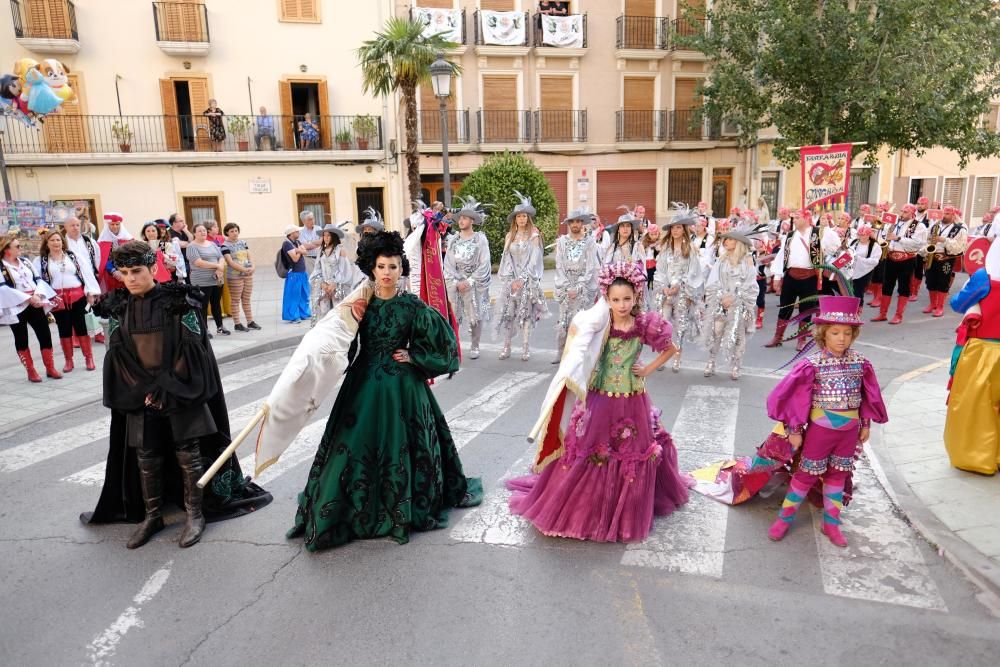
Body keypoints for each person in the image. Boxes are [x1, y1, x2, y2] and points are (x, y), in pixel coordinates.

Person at [286, 231, 483, 551]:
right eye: (382, 266)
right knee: (353, 445)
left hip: (402, 389)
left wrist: (415, 357)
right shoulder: (361, 302)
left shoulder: (410, 305)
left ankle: (397, 507)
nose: (388, 272)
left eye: (393, 266)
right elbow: (342, 340)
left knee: (400, 445)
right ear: (372, 268)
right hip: (362, 384)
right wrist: (326, 362)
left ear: (401, 268)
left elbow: (444, 345)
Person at [82, 241, 272, 548]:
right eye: (125, 272)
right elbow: (118, 354)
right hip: (140, 394)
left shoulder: (181, 301)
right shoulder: (118, 306)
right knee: (146, 456)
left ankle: (195, 514)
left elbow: (192, 348)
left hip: (181, 391)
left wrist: (166, 387)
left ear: (153, 269)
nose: (130, 278)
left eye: (137, 271)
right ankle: (152, 515)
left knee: (189, 455)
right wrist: (145, 390)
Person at [507, 262, 691, 543]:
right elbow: (580, 349)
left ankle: (625, 511)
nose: (621, 305)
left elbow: (671, 348)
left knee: (630, 452)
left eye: (627, 299)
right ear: (606, 298)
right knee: (591, 449)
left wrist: (648, 369)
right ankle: (586, 509)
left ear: (637, 295)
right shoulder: (601, 322)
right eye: (615, 299)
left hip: (633, 400)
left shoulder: (644, 323)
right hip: (599, 398)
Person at [765, 295, 888, 547]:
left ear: (853, 334)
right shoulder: (811, 365)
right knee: (806, 475)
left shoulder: (861, 363)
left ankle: (830, 524)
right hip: (821, 431)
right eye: (835, 332)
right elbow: (795, 399)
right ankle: (784, 519)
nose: (841, 338)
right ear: (823, 334)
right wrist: (795, 429)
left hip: (849, 432)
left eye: (846, 332)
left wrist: (865, 424)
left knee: (838, 475)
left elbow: (868, 396)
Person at [944, 241, 1000, 474]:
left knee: (976, 407)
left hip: (984, 352)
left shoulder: (984, 278)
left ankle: (979, 457)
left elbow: (958, 303)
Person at [702, 223, 764, 380]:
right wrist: (721, 296)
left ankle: (736, 365)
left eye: (729, 239)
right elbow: (713, 281)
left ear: (738, 242)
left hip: (739, 304)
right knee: (715, 332)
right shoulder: (721, 260)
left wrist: (735, 298)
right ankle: (711, 361)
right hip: (720, 302)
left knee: (738, 335)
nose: (725, 242)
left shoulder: (747, 261)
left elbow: (750, 283)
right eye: (725, 239)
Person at [34, 230, 99, 373]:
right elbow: (38, 281)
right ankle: (69, 360)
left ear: (62, 242)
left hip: (78, 296)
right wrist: (43, 298)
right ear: (47, 243)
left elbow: (86, 274)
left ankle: (89, 358)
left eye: (58, 240)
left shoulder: (73, 256)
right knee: (64, 330)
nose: (56, 243)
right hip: (58, 299)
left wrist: (90, 292)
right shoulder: (41, 261)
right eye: (52, 240)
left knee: (81, 327)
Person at [494, 191, 547, 361]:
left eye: (524, 216)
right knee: (508, 313)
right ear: (515, 219)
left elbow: (534, 260)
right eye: (519, 216)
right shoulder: (510, 236)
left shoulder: (534, 236)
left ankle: (525, 347)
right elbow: (506, 259)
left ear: (528, 218)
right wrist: (511, 280)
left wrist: (523, 280)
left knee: (525, 315)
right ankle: (507, 346)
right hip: (511, 282)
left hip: (528, 281)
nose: (522, 219)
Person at [1, 234, 60, 381]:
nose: (21, 248)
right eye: (17, 246)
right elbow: (2, 289)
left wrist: (39, 295)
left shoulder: (25, 261)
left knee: (45, 334)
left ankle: (50, 368)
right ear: (7, 250)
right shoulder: (1, 267)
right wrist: (28, 298)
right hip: (16, 306)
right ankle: (31, 371)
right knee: (21, 338)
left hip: (35, 302)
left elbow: (38, 279)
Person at [652, 208, 703, 372]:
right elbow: (660, 271)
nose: (675, 230)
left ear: (684, 230)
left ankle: (677, 357)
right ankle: (663, 356)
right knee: (663, 324)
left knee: (680, 325)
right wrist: (664, 287)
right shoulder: (665, 249)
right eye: (673, 227)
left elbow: (694, 272)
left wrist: (680, 286)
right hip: (666, 293)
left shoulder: (690, 249)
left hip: (682, 293)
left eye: (679, 227)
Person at [442, 197, 492, 360]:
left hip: (474, 283)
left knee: (475, 315)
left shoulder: (480, 239)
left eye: (465, 218)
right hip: (456, 283)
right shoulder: (453, 240)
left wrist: (470, 281)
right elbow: (448, 264)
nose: (461, 220)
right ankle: (453, 345)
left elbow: (484, 263)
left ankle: (475, 345)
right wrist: (456, 282)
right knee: (454, 316)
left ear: (472, 220)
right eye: (460, 218)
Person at [766, 209, 821, 350]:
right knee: (785, 307)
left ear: (806, 218)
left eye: (797, 218)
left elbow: (835, 247)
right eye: (794, 218)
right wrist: (777, 277)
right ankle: (777, 337)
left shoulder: (818, 233)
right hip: (791, 275)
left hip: (810, 277)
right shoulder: (789, 236)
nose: (794, 220)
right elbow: (780, 257)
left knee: (806, 309)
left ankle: (801, 340)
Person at [552, 208, 600, 362]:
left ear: (582, 223)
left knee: (579, 322)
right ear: (569, 224)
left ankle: (578, 355)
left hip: (583, 287)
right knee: (563, 322)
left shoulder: (589, 242)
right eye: (572, 221)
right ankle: (560, 353)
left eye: (578, 221)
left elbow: (590, 266)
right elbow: (559, 265)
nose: (575, 224)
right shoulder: (562, 242)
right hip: (565, 286)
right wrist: (567, 286)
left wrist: (578, 286)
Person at [872, 203, 927, 325]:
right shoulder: (895, 223)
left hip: (907, 259)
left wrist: (898, 238)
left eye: (905, 212)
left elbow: (918, 243)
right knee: (887, 286)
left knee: (903, 287)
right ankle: (882, 314)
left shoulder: (919, 226)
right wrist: (880, 226)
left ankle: (898, 315)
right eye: (901, 211)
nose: (902, 214)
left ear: (912, 213)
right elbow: (883, 235)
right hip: (890, 257)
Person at [62, 215, 104, 343]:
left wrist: (97, 273)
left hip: (90, 276)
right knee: (78, 308)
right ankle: (77, 336)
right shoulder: (63, 243)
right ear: (65, 227)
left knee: (95, 304)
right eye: (72, 225)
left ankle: (98, 333)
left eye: (77, 225)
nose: (75, 228)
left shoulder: (88, 241)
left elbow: (97, 257)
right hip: (74, 279)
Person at [185, 222, 230, 337]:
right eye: (199, 230)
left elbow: (220, 257)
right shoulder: (191, 246)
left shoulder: (212, 244)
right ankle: (204, 330)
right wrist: (216, 266)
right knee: (203, 306)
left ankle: (220, 327)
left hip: (216, 279)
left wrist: (220, 269)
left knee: (216, 304)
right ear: (194, 233)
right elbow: (198, 262)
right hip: (201, 281)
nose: (203, 232)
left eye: (204, 230)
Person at [922, 206, 969, 318]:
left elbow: (960, 247)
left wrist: (944, 240)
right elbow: (927, 239)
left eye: (947, 214)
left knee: (943, 283)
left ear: (953, 216)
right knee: (930, 281)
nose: (944, 215)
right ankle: (932, 304)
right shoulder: (935, 226)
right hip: (932, 256)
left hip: (946, 258)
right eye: (944, 213)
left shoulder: (959, 229)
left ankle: (940, 307)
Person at [309, 223, 352, 326]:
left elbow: (345, 271)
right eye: (324, 235)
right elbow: (317, 269)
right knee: (324, 312)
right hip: (323, 286)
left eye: (328, 235)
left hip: (337, 287)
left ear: (333, 236)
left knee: (338, 312)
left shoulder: (340, 251)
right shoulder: (321, 251)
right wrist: (322, 284)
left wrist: (335, 284)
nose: (326, 238)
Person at [222, 223, 259, 332]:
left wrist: (253, 267)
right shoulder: (224, 246)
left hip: (247, 274)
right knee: (235, 300)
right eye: (231, 231)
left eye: (236, 230)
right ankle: (237, 324)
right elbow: (230, 262)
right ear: (227, 233)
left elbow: (249, 256)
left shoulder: (243, 242)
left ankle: (250, 322)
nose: (234, 233)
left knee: (246, 299)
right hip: (235, 276)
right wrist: (244, 270)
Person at [280, 224, 311, 323]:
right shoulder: (287, 244)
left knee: (304, 294)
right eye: (297, 231)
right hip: (294, 273)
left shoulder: (297, 242)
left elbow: (306, 252)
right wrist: (300, 250)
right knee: (293, 296)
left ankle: (304, 314)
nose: (299, 233)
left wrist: (298, 250)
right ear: (291, 233)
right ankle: (293, 316)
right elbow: (295, 258)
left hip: (302, 273)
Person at [97, 212, 133, 293]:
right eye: (112, 224)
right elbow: (103, 260)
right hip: (110, 275)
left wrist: (123, 272)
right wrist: (114, 271)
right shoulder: (102, 242)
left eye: (117, 224)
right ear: (108, 225)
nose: (115, 227)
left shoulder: (129, 240)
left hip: (128, 274)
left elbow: (133, 257)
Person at [850, 224, 881, 305]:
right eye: (860, 235)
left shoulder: (874, 245)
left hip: (865, 271)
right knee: (849, 292)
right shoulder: (854, 242)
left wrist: (859, 259)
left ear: (868, 235)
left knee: (858, 293)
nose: (861, 237)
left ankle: (857, 312)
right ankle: (850, 312)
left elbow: (875, 261)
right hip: (851, 271)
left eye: (864, 235)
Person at [167, 213, 192, 281]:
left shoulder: (183, 231)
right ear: (174, 223)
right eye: (181, 221)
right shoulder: (169, 233)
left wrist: (186, 230)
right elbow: (180, 244)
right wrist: (188, 243)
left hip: (188, 262)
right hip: (179, 265)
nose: (184, 223)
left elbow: (192, 241)